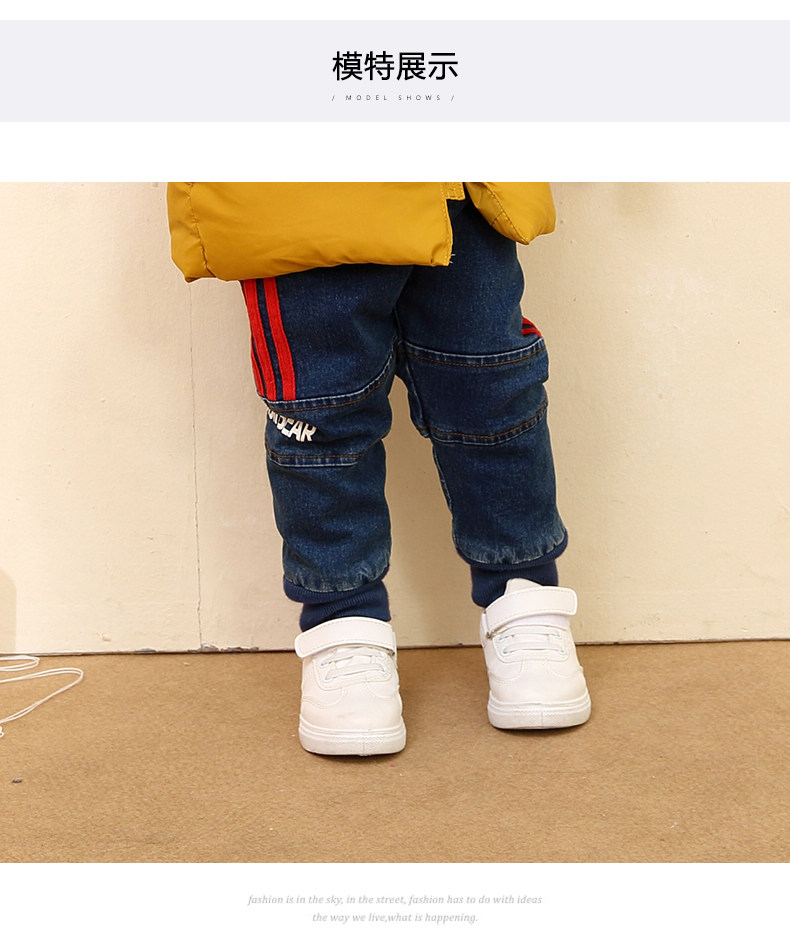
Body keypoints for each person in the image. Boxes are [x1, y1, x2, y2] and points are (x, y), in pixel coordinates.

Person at [167, 182, 591, 756]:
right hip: (298, 190)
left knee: (491, 387)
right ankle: (343, 623)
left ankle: (523, 594)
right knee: (320, 416)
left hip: (458, 181)